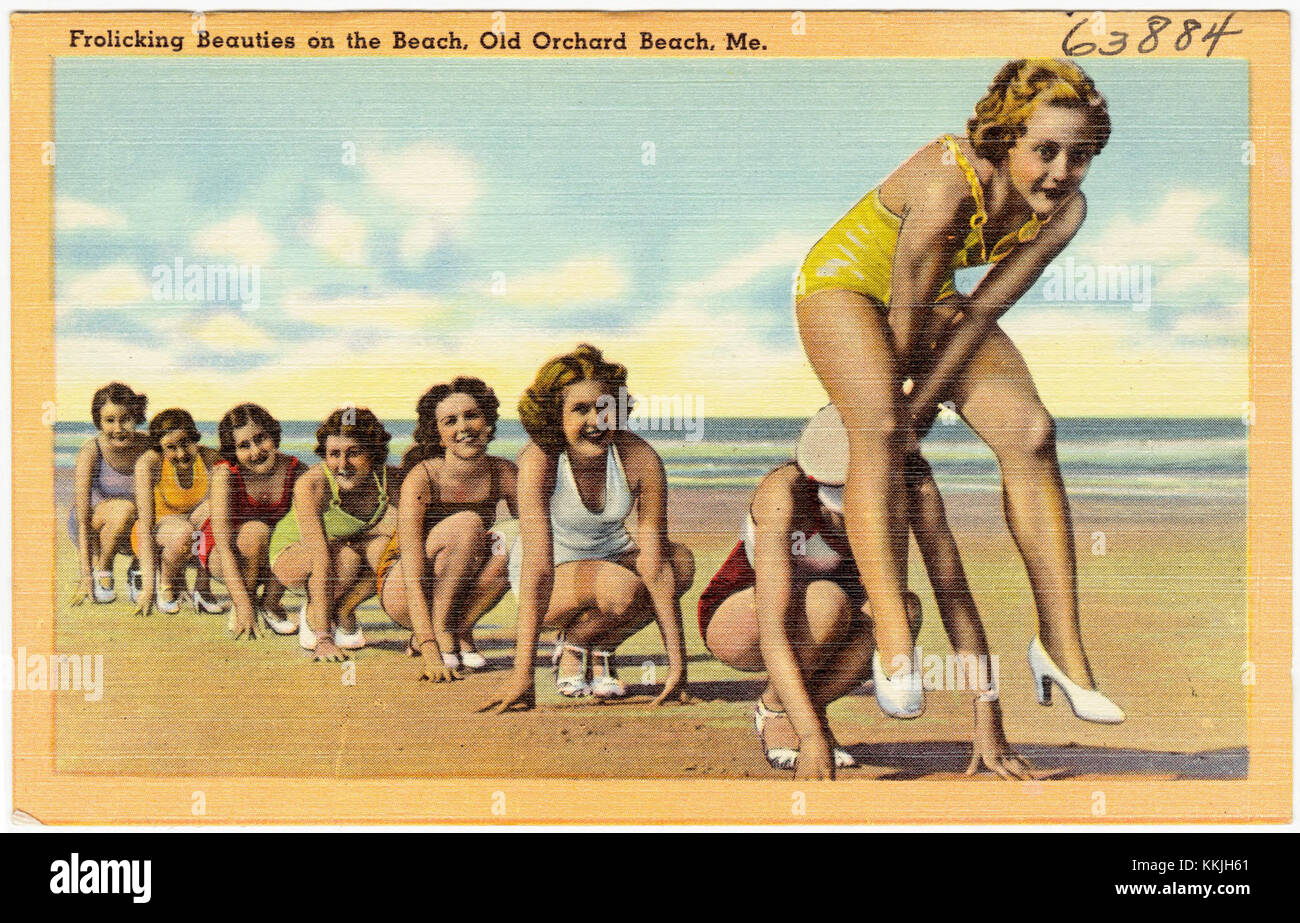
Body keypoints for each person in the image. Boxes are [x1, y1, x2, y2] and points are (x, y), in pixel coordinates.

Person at [794, 58, 1122, 723]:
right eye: (1047, 151)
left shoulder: (1066, 212)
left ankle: (1062, 647)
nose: (1063, 171)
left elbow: (979, 311)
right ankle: (893, 637)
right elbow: (905, 322)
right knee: (881, 429)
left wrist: (927, 399)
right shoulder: (948, 184)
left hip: (933, 300)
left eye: (1080, 155)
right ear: (1006, 140)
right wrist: (899, 408)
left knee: (1033, 432)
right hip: (845, 284)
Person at [700, 406, 1034, 779]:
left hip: (825, 615)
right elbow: (775, 630)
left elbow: (952, 594)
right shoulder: (784, 494)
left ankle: (792, 707)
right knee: (829, 602)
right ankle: (779, 712)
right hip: (739, 618)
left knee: (903, 612)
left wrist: (988, 710)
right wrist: (812, 737)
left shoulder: (914, 484)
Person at [480, 345, 694, 712]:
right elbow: (538, 569)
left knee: (681, 564)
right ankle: (577, 647)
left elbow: (656, 565)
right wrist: (521, 676)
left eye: (604, 407)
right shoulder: (539, 461)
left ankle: (588, 644)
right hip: (553, 572)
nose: (596, 421)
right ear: (555, 416)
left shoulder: (640, 458)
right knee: (621, 588)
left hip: (612, 556)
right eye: (580, 409)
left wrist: (679, 668)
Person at [376, 377, 518, 680]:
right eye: (450, 421)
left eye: (471, 415)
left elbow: (539, 540)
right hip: (402, 586)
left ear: (488, 423)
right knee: (468, 523)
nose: (463, 427)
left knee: (514, 545)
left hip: (456, 583)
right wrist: (429, 652)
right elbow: (414, 575)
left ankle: (459, 628)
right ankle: (439, 634)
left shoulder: (504, 472)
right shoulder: (422, 477)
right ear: (439, 436)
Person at [268, 407, 396, 662]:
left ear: (373, 452)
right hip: (293, 554)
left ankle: (345, 607)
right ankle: (314, 616)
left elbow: (404, 543)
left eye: (354, 453)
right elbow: (320, 558)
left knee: (386, 552)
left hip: (339, 549)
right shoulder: (312, 484)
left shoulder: (389, 478)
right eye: (334, 454)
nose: (342, 465)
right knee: (346, 557)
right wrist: (324, 639)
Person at [199, 403, 304, 639]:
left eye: (260, 439)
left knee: (295, 535)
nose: (256, 451)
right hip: (222, 552)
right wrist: (243, 605)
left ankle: (270, 602)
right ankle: (243, 602)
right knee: (256, 531)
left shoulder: (294, 469)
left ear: (273, 435)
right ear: (232, 450)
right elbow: (224, 546)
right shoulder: (225, 474)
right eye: (244, 445)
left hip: (268, 552)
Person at [131, 408, 226, 616]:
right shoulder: (148, 464)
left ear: (194, 438)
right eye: (171, 448)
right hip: (154, 535)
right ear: (160, 448)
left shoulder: (210, 458)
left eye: (185, 443)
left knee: (217, 509)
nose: (181, 453)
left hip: (191, 535)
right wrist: (149, 588)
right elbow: (145, 526)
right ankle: (166, 583)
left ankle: (202, 587)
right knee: (184, 531)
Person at [69, 382, 149, 606]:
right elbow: (83, 520)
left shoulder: (148, 445)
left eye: (126, 419)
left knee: (152, 508)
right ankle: (102, 568)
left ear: (136, 416)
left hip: (130, 528)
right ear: (99, 422)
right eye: (110, 421)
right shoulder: (91, 451)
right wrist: (86, 575)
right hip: (92, 527)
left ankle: (137, 569)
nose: (118, 427)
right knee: (126, 509)